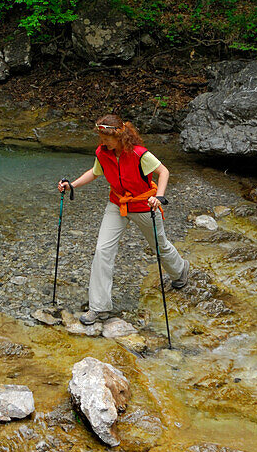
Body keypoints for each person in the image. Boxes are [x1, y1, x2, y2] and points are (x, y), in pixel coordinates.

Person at [58, 113, 190, 325]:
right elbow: (94, 172)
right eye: (101, 137)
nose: (103, 142)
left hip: (144, 205)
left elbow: (163, 172)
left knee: (160, 246)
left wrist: (159, 197)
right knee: (103, 250)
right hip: (117, 204)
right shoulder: (102, 153)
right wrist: (72, 184)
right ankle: (98, 307)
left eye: (107, 138)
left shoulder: (139, 154)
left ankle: (180, 270)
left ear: (119, 136)